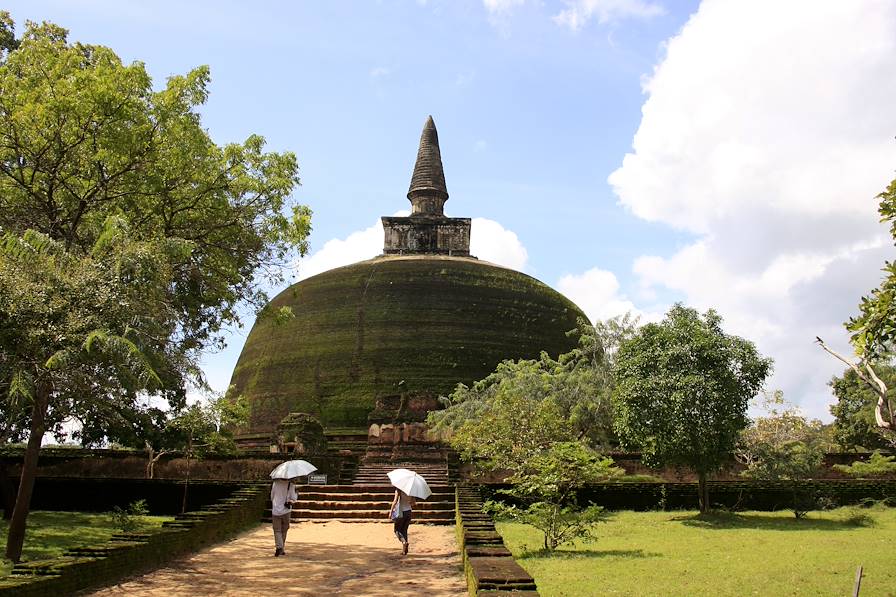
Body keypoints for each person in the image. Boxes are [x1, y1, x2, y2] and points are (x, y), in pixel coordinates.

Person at [271, 477, 298, 557]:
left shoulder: (275, 483)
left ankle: (279, 547)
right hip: (286, 511)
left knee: (277, 530)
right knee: (284, 529)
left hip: (276, 510)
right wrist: (296, 494)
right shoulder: (291, 485)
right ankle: (281, 548)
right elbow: (294, 498)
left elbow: (272, 496)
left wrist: (275, 504)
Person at [389, 488, 415, 555]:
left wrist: (391, 512)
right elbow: (413, 503)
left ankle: (403, 542)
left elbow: (395, 501)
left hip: (401, 512)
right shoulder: (411, 491)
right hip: (409, 511)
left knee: (396, 530)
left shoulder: (398, 490)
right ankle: (404, 551)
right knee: (404, 530)